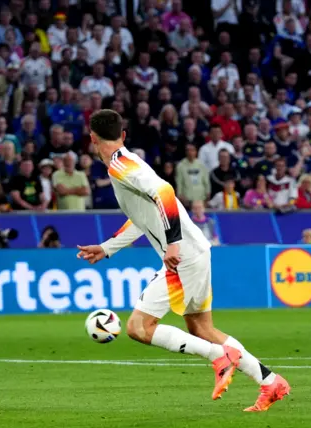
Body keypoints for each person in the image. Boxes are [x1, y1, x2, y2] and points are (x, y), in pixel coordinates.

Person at [76, 110, 289, 412]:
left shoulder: (120, 165)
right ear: (123, 135)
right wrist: (108, 247)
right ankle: (270, 382)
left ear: (92, 137)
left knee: (138, 327)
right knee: (203, 330)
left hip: (183, 254)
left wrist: (173, 243)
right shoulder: (127, 163)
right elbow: (142, 216)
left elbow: (164, 191)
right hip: (196, 250)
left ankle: (219, 358)